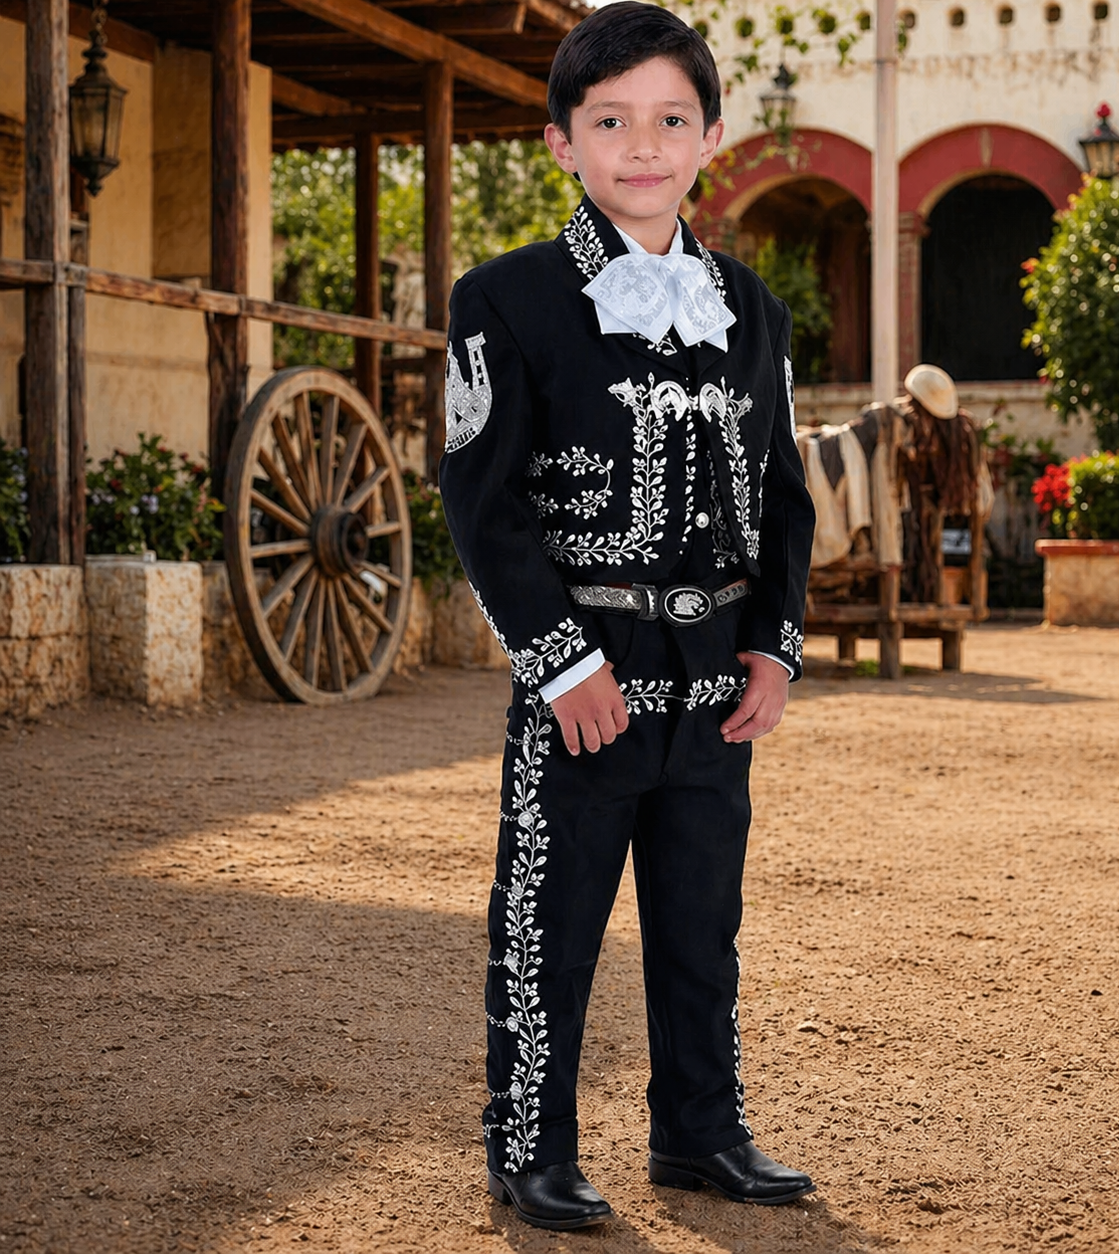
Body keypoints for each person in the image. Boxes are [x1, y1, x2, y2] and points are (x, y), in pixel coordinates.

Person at [438, 1, 817, 1231]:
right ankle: (527, 1146)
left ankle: (701, 1135)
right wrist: (560, 662)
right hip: (587, 682)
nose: (640, 146)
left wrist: (774, 643)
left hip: (715, 678)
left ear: (710, 136)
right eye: (610, 121)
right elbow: (485, 506)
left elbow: (782, 491)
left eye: (668, 119)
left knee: (704, 927)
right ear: (561, 142)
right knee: (550, 927)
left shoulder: (751, 308)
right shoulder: (507, 298)